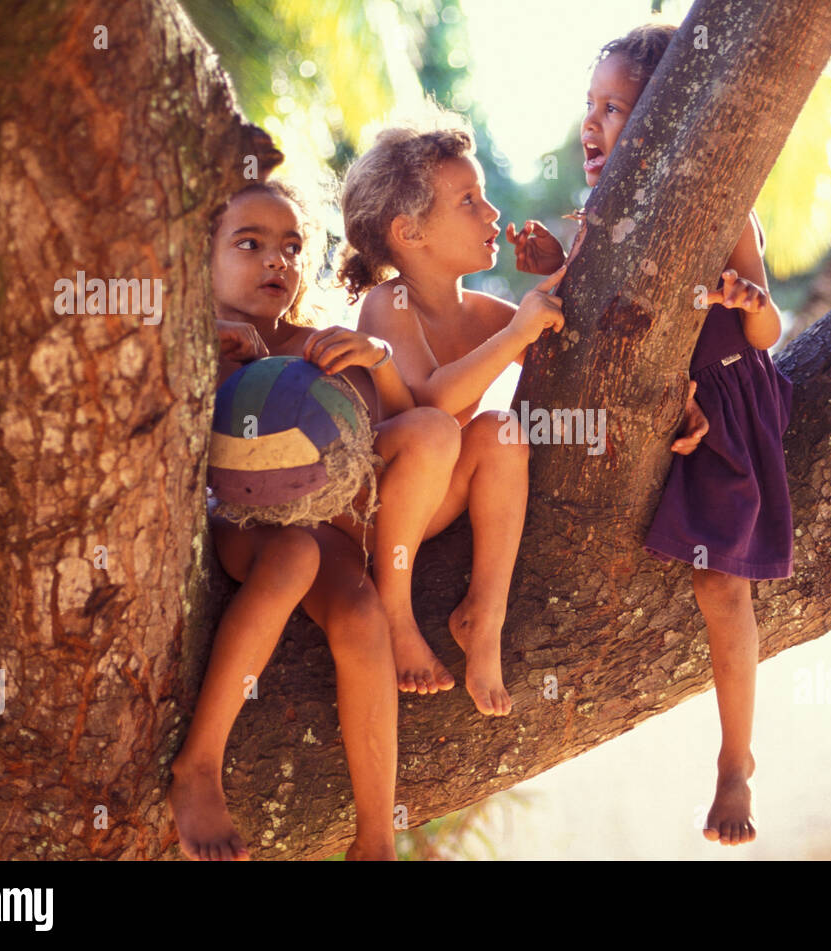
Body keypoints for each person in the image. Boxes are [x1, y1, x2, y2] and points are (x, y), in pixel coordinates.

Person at [506, 24, 796, 846]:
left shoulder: (727, 205)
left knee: (719, 587)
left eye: (616, 109)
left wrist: (745, 299)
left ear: (672, 119)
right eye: (589, 107)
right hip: (653, 406)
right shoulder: (598, 211)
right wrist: (549, 264)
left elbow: (769, 330)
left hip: (729, 405)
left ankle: (736, 756)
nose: (592, 128)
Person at [170, 180, 461, 860]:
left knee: (360, 608)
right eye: (250, 244)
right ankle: (199, 764)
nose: (277, 260)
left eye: (292, 247)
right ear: (198, 256)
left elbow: (387, 426)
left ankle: (375, 839)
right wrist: (205, 356)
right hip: (239, 521)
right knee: (293, 556)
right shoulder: (184, 340)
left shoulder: (314, 344)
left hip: (325, 523)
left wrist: (377, 361)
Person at [337, 122, 567, 716]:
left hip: (431, 507)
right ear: (410, 233)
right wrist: (518, 331)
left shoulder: (487, 312)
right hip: (370, 511)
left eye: (485, 196)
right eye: (468, 201)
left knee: (499, 432)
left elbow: (572, 331)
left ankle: (482, 616)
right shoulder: (389, 303)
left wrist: (561, 264)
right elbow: (431, 402)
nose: (492, 212)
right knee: (439, 427)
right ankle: (393, 609)